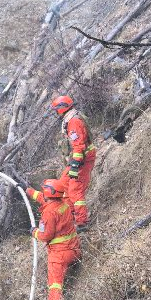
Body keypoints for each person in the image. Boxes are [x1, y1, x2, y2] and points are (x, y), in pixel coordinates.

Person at [25, 179, 81, 300]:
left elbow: (45, 236)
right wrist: (28, 191)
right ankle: (75, 266)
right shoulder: (63, 204)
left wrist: (34, 232)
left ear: (49, 193)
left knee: (55, 283)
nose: (42, 193)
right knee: (68, 265)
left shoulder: (49, 213)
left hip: (59, 255)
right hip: (74, 250)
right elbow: (42, 197)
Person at [50, 95, 96, 229]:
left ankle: (82, 222)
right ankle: (68, 217)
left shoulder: (74, 122)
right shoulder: (69, 118)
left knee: (75, 190)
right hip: (76, 159)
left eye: (56, 109)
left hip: (83, 159)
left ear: (61, 108)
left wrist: (75, 166)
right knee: (63, 185)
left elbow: (79, 146)